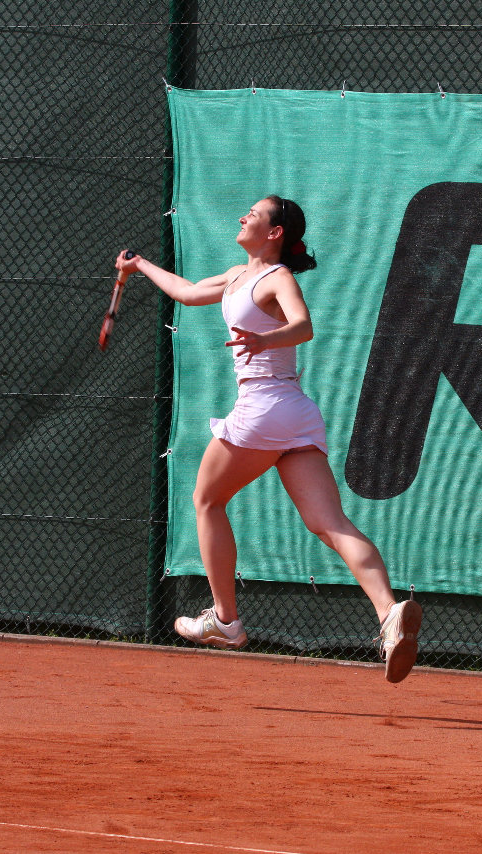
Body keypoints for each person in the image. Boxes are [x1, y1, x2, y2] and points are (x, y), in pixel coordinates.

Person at [115, 195, 423, 683]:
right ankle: (389, 614)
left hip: (263, 407)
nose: (242, 217)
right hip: (295, 416)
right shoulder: (237, 274)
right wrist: (141, 266)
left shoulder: (277, 277)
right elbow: (190, 291)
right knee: (329, 522)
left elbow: (303, 326)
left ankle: (226, 620)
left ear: (275, 232)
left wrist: (265, 340)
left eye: (253, 215)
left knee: (206, 501)